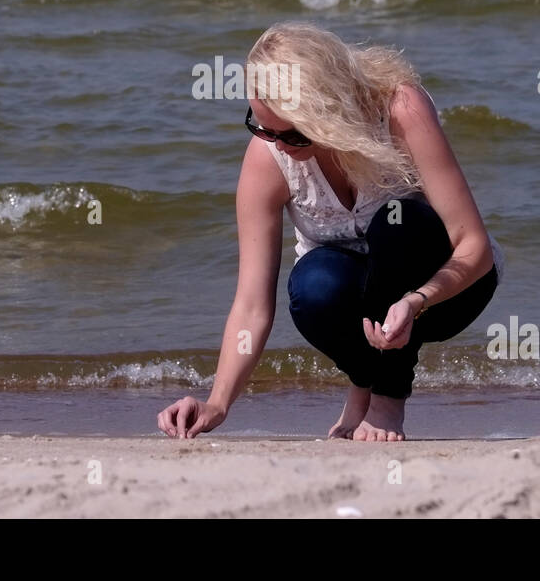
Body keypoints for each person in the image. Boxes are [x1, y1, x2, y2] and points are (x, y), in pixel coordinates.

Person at [157, 22, 504, 441]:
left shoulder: (400, 110)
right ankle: (364, 377)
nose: (277, 144)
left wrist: (414, 302)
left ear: (330, 114)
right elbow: (251, 304)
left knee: (397, 221)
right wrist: (218, 402)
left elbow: (474, 247)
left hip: (443, 293)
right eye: (261, 126)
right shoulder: (268, 159)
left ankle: (387, 399)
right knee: (313, 286)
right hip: (358, 307)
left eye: (292, 134)